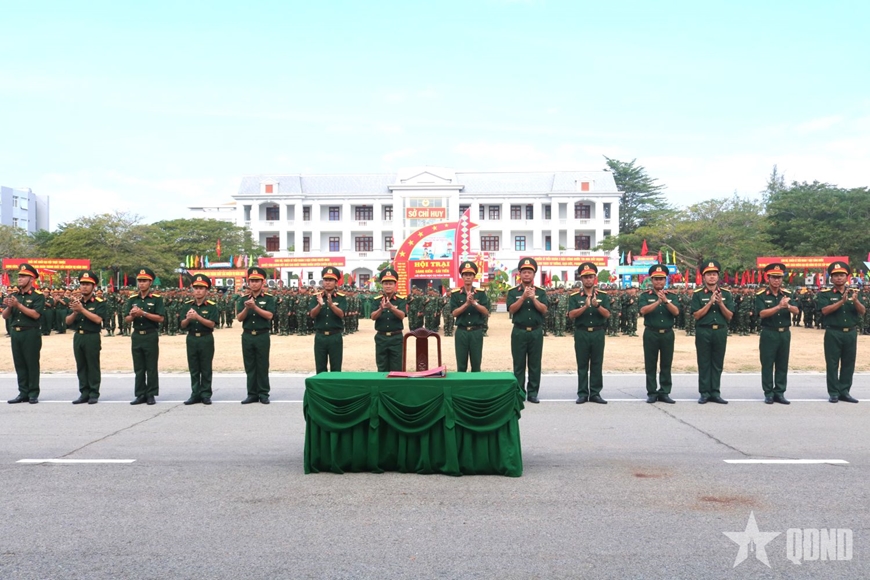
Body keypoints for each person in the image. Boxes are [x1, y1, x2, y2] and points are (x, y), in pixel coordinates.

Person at [817, 261, 865, 403]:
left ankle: (844, 391)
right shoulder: (824, 294)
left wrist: (855, 301)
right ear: (831, 278)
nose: (839, 278)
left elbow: (862, 311)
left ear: (847, 277)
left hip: (850, 332)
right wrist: (841, 302)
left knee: (848, 362)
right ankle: (833, 392)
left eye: (842, 275)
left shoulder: (855, 293)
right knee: (832, 363)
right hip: (833, 332)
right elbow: (824, 311)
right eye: (836, 275)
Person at [690, 260, 734, 404]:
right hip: (704, 331)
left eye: (714, 274)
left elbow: (729, 316)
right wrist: (709, 302)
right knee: (704, 362)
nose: (712, 277)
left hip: (720, 332)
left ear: (718, 277)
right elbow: (696, 315)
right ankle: (704, 392)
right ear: (703, 277)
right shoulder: (697, 294)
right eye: (708, 274)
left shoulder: (726, 294)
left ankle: (715, 392)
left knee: (717, 363)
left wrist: (720, 303)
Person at [567, 262, 611, 404]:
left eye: (591, 276)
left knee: (597, 364)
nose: (588, 279)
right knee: (582, 364)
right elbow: (571, 315)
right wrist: (585, 307)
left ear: (595, 278)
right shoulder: (574, 296)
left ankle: (595, 393)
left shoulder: (603, 296)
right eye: (585, 277)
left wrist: (596, 305)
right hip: (582, 333)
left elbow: (607, 314)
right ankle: (582, 393)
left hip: (598, 333)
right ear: (581, 279)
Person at [755, 263, 799, 404]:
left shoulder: (787, 294)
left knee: (782, 364)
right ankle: (768, 393)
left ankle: (779, 392)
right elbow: (762, 313)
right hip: (769, 332)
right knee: (767, 363)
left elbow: (797, 311)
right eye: (774, 277)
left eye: (779, 278)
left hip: (784, 333)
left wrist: (788, 306)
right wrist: (779, 306)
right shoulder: (761, 295)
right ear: (768, 278)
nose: (776, 280)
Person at [506, 258, 548, 403]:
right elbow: (511, 309)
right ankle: (519, 392)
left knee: (535, 364)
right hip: (519, 331)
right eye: (524, 272)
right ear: (520, 274)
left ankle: (533, 393)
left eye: (529, 272)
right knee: (519, 364)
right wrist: (523, 297)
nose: (526, 275)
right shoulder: (512, 292)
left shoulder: (541, 292)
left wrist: (534, 299)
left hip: (536, 332)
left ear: (534, 275)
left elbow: (544, 310)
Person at [638, 264, 680, 404]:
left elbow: (676, 312)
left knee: (666, 364)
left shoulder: (672, 296)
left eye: (661, 279)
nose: (659, 282)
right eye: (656, 279)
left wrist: (666, 301)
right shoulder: (645, 296)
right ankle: (652, 392)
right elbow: (643, 310)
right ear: (651, 280)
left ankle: (665, 392)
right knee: (650, 364)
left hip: (667, 334)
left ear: (665, 280)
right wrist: (658, 301)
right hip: (651, 333)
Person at [4, 263, 44, 404]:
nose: (19, 278)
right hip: (16, 333)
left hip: (30, 333)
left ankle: (33, 393)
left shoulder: (38, 296)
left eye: (23, 276)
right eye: (19, 276)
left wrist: (18, 305)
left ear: (31, 279)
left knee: (31, 363)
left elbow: (35, 315)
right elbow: (5, 316)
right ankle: (23, 392)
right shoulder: (14, 295)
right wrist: (9, 306)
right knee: (19, 363)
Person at [124, 268, 165, 405]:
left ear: (150, 282)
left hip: (150, 334)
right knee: (139, 367)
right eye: (140, 281)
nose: (141, 284)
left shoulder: (157, 299)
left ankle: (151, 394)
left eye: (144, 281)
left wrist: (144, 313)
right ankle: (140, 393)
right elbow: (127, 319)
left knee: (151, 366)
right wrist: (133, 315)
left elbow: (160, 318)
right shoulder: (132, 299)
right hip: (137, 335)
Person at [237, 267, 276, 404]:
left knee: (262, 364)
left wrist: (255, 307)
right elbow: (240, 318)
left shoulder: (269, 298)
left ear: (262, 282)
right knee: (250, 365)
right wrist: (247, 308)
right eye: (252, 281)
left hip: (262, 335)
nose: (254, 283)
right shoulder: (242, 299)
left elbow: (269, 315)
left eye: (257, 281)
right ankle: (252, 393)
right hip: (247, 335)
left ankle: (263, 393)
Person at [66, 270, 107, 404]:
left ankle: (94, 393)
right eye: (82, 284)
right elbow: (67, 321)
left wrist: (82, 309)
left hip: (92, 336)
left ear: (93, 286)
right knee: (81, 366)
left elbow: (97, 319)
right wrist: (75, 312)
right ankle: (84, 392)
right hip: (79, 336)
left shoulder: (99, 302)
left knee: (92, 365)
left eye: (88, 284)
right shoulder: (76, 302)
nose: (84, 286)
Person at [180, 274, 219, 405]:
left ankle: (206, 394)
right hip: (191, 338)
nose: (198, 291)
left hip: (206, 338)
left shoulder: (211, 306)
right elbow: (182, 325)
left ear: (206, 290)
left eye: (201, 288)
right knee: (194, 367)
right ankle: (195, 393)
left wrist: (198, 317)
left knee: (206, 367)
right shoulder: (187, 305)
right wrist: (188, 319)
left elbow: (212, 324)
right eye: (196, 288)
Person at [450, 261, 490, 372]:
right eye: (465, 275)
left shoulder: (480, 293)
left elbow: (486, 311)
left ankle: (476, 388)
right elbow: (454, 313)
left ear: (474, 277)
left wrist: (474, 303)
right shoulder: (456, 294)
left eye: (470, 275)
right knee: (461, 365)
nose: (468, 277)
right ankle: (462, 388)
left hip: (476, 332)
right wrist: (466, 304)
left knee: (476, 365)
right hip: (461, 332)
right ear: (462, 277)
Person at [310, 266, 346, 373]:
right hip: (320, 336)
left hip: (335, 336)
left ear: (336, 283)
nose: (327, 283)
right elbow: (312, 314)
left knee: (336, 367)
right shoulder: (316, 297)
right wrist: (319, 305)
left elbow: (341, 314)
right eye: (325, 280)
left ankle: (335, 389)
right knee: (320, 367)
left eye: (331, 280)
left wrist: (331, 305)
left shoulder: (341, 297)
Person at [370, 267, 406, 372]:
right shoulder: (377, 300)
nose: (388, 286)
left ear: (395, 285)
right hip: (381, 337)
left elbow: (402, 315)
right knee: (382, 367)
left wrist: (391, 307)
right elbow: (373, 317)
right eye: (386, 283)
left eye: (391, 283)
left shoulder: (401, 300)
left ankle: (395, 388)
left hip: (396, 337)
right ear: (382, 285)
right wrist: (380, 309)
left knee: (396, 367)